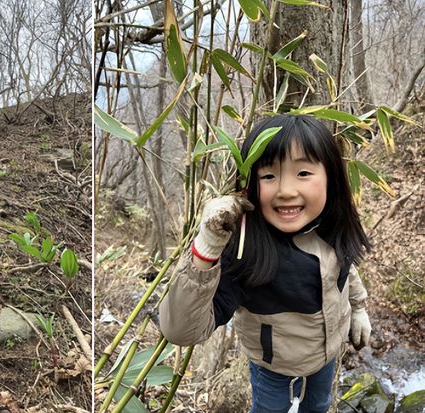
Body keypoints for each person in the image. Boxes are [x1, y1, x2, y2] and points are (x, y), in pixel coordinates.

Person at [159, 114, 372, 413]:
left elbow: (346, 268)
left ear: (331, 177)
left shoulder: (330, 227)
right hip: (274, 369)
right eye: (269, 176)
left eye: (303, 173)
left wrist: (359, 307)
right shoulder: (246, 251)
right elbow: (180, 331)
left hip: (326, 358)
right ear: (248, 185)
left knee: (320, 406)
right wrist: (207, 248)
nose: (285, 190)